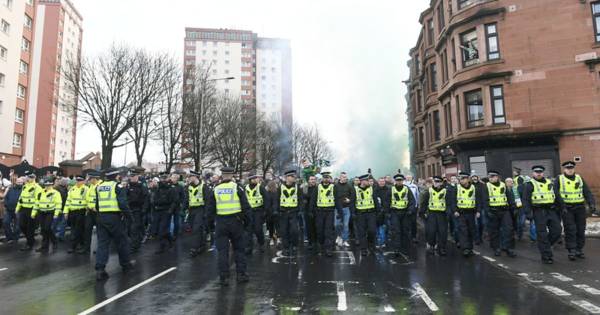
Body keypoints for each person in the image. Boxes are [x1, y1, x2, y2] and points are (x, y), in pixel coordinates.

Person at [208, 167, 250, 286]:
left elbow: (210, 209)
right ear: (232, 175)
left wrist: (211, 226)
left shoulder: (216, 189)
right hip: (236, 221)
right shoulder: (237, 188)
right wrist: (246, 223)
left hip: (221, 222)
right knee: (239, 249)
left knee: (223, 251)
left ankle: (224, 277)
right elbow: (246, 207)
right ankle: (241, 274)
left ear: (222, 175)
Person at [95, 169, 134, 281]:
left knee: (102, 244)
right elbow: (122, 203)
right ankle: (126, 265)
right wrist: (129, 217)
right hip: (114, 218)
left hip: (101, 217)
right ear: (116, 176)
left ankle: (100, 269)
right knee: (122, 241)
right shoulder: (118, 187)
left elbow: (97, 204)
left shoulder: (99, 187)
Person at [555, 161, 596, 260]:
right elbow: (555, 193)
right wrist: (562, 206)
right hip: (567, 208)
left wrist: (591, 204)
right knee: (570, 230)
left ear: (574, 169)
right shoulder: (559, 179)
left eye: (571, 168)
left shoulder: (579, 178)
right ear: (564, 169)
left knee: (581, 229)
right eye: (568, 168)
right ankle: (571, 250)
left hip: (580, 208)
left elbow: (587, 192)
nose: (570, 170)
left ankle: (579, 249)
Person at [523, 165, 560, 264]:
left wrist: (562, 207)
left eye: (540, 171)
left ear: (543, 173)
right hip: (538, 211)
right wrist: (528, 213)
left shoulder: (550, 182)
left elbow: (557, 196)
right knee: (542, 234)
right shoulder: (529, 184)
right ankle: (546, 255)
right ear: (533, 173)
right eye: (536, 172)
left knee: (557, 231)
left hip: (551, 210)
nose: (538, 173)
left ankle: (545, 246)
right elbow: (525, 200)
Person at [482, 170, 516, 257]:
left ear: (497, 177)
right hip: (493, 211)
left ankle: (509, 248)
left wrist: (513, 208)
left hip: (504, 210)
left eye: (493, 176)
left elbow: (509, 197)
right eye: (490, 176)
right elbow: (485, 200)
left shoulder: (503, 185)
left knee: (509, 229)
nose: (491, 178)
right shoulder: (486, 186)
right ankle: (496, 248)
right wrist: (487, 211)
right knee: (494, 231)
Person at [420, 176, 453, 256]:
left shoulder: (445, 191)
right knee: (431, 231)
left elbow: (449, 203)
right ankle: (431, 246)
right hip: (432, 214)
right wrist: (422, 213)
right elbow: (424, 203)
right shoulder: (429, 191)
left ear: (441, 182)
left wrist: (448, 213)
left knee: (442, 232)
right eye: (435, 181)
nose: (436, 183)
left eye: (438, 181)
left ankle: (442, 248)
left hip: (442, 214)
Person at [385, 174, 416, 257]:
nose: (399, 182)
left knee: (405, 231)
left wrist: (410, 210)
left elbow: (412, 201)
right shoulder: (391, 189)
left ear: (403, 181)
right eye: (398, 180)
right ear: (395, 181)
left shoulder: (407, 189)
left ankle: (405, 248)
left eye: (401, 180)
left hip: (405, 213)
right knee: (396, 231)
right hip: (394, 212)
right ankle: (396, 249)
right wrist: (387, 213)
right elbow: (387, 202)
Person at [309, 171, 339, 257]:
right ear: (322, 178)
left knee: (328, 231)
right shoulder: (317, 187)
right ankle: (321, 245)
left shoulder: (334, 187)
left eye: (327, 177)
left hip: (330, 211)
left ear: (329, 178)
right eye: (324, 177)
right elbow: (313, 200)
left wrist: (340, 212)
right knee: (320, 231)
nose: (326, 179)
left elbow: (337, 200)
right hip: (319, 212)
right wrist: (310, 211)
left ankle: (328, 249)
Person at [350, 174, 381, 256]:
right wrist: (353, 213)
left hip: (371, 213)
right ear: (362, 181)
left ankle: (371, 244)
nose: (369, 182)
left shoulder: (371, 189)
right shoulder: (355, 190)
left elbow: (375, 201)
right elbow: (352, 203)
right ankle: (363, 248)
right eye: (367, 180)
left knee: (372, 231)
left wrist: (379, 212)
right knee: (361, 232)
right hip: (360, 214)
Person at [274, 170, 302, 256]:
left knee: (294, 231)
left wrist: (300, 209)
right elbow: (277, 200)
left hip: (293, 212)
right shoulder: (280, 188)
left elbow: (300, 200)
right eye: (292, 176)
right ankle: (285, 248)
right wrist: (276, 210)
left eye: (294, 176)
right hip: (283, 212)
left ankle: (294, 246)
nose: (294, 178)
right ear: (287, 177)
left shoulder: (297, 187)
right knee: (284, 231)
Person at [453, 172, 481, 257]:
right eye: (460, 179)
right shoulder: (457, 188)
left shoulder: (473, 187)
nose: (461, 180)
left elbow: (478, 200)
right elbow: (453, 201)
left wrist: (478, 211)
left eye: (463, 178)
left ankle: (470, 248)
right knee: (463, 230)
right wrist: (455, 210)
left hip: (471, 213)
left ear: (468, 179)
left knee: (471, 230)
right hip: (461, 213)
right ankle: (465, 248)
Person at [32, 177, 62, 253]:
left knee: (47, 228)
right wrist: (33, 212)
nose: (47, 186)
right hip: (41, 212)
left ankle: (54, 241)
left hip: (50, 212)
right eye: (46, 185)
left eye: (49, 185)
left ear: (52, 185)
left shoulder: (56, 193)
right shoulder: (40, 193)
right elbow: (36, 203)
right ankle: (44, 246)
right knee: (43, 229)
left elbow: (58, 204)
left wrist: (56, 214)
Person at [16, 171, 42, 251]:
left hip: (32, 210)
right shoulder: (25, 186)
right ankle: (31, 239)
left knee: (30, 228)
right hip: (24, 209)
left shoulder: (37, 187)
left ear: (34, 178)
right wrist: (17, 208)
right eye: (28, 177)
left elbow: (38, 201)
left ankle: (29, 244)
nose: (28, 178)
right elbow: (21, 198)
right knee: (21, 225)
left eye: (30, 177)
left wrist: (34, 212)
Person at [244, 172, 268, 255]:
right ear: (251, 180)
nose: (257, 179)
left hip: (258, 211)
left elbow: (266, 199)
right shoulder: (245, 188)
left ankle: (261, 244)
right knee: (248, 230)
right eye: (255, 178)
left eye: (257, 178)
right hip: (248, 212)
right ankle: (249, 247)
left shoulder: (260, 188)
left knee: (258, 229)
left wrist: (265, 211)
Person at [154, 174, 179, 254]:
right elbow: (154, 199)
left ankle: (162, 247)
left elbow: (175, 201)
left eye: (165, 178)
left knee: (162, 229)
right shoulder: (158, 189)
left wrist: (170, 211)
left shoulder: (171, 189)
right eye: (162, 178)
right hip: (158, 210)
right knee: (159, 229)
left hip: (166, 211)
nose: (163, 180)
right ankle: (170, 240)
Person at [188, 171, 211, 257]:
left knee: (196, 229)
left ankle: (195, 248)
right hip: (192, 210)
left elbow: (208, 200)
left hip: (200, 209)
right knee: (197, 229)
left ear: (196, 177)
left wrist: (206, 212)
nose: (189, 178)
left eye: (191, 176)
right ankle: (202, 245)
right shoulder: (189, 186)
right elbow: (188, 198)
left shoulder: (203, 187)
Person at [64, 176, 89, 254]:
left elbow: (88, 200)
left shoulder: (86, 189)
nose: (78, 182)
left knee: (76, 229)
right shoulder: (72, 189)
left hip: (81, 211)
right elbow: (68, 201)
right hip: (72, 212)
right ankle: (81, 244)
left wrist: (87, 210)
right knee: (75, 228)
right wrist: (66, 212)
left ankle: (73, 246)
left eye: (80, 180)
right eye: (77, 180)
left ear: (84, 181)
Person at [127, 169, 149, 253]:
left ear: (137, 177)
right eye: (131, 176)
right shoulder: (127, 186)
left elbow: (146, 198)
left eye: (133, 176)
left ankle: (134, 246)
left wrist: (144, 209)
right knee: (129, 228)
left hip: (138, 210)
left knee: (134, 229)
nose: (131, 178)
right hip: (129, 210)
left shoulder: (141, 186)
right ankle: (137, 241)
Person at [82, 172, 102, 255]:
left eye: (90, 179)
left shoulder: (100, 186)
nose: (88, 180)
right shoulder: (91, 186)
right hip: (90, 211)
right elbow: (88, 198)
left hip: (97, 212)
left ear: (94, 179)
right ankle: (86, 249)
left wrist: (96, 207)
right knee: (87, 229)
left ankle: (100, 249)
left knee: (100, 231)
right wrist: (87, 207)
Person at [335, 172, 353, 248]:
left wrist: (349, 200)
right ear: (340, 177)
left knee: (346, 225)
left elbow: (353, 196)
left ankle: (344, 240)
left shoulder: (349, 186)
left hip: (346, 208)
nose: (344, 178)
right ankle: (339, 236)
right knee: (336, 225)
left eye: (345, 177)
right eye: (343, 177)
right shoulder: (335, 186)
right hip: (337, 209)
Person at [3, 177, 22, 244]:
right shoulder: (10, 189)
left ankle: (15, 238)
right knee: (5, 222)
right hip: (9, 210)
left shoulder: (23, 190)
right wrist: (6, 204)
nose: (19, 183)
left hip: (19, 210)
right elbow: (6, 197)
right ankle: (9, 238)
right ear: (15, 182)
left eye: (21, 182)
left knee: (17, 226)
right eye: (18, 182)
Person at [404, 175, 420, 244]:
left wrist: (417, 205)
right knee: (406, 222)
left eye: (410, 177)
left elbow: (417, 195)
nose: (408, 178)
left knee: (413, 222)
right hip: (405, 207)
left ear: (412, 178)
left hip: (414, 207)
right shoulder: (403, 185)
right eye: (407, 177)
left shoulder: (414, 186)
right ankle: (406, 236)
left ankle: (414, 236)